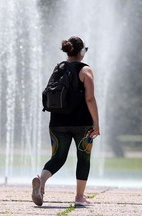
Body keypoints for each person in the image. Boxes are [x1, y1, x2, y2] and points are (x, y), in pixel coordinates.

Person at [32, 36, 100, 207]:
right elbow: (90, 98)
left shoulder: (58, 68)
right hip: (81, 124)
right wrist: (96, 123)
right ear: (81, 51)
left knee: (58, 157)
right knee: (83, 157)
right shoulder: (85, 70)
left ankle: (41, 181)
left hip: (57, 122)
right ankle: (79, 197)